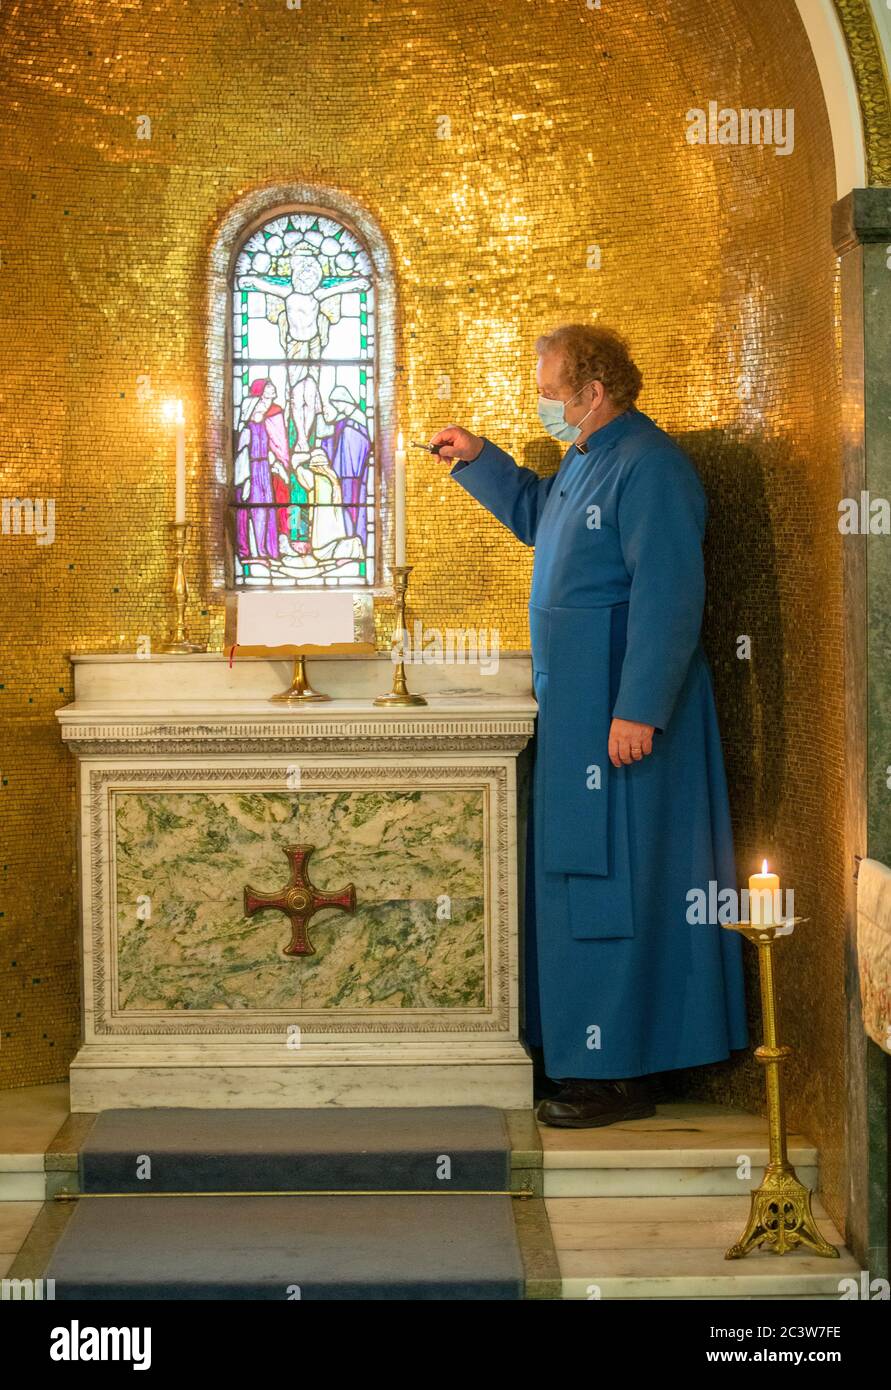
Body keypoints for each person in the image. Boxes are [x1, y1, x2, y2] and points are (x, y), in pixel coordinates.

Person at [430, 324, 748, 1128]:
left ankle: (620, 1074)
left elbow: (670, 594)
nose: (541, 400)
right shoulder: (585, 458)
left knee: (621, 887)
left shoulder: (652, 467)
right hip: (578, 715)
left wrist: (638, 707)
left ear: (592, 391)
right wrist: (479, 458)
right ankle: (577, 1056)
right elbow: (543, 517)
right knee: (580, 882)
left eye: (548, 387)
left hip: (622, 718)